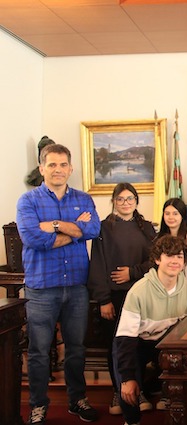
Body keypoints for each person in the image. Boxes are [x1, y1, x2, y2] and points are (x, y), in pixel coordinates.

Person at [16, 143, 101, 424]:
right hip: (41, 288)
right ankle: (38, 406)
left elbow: (93, 229)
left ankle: (77, 400)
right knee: (39, 352)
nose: (58, 170)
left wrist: (52, 225)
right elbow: (32, 238)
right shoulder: (28, 201)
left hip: (76, 286)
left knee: (76, 348)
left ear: (71, 168)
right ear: (42, 168)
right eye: (52, 164)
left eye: (63, 164)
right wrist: (73, 229)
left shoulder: (83, 199)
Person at [113, 235, 187, 425]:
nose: (175, 261)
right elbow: (125, 339)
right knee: (127, 388)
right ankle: (132, 421)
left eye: (179, 256)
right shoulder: (138, 291)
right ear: (157, 259)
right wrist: (127, 378)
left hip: (168, 343)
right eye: (169, 256)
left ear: (184, 262)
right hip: (136, 343)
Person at [87, 183, 156, 415]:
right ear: (114, 202)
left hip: (142, 294)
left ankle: (139, 389)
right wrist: (103, 299)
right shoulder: (103, 228)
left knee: (138, 344)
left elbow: (155, 261)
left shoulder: (147, 228)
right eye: (120, 199)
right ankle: (119, 390)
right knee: (116, 345)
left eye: (130, 199)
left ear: (136, 201)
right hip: (114, 297)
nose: (125, 203)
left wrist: (133, 272)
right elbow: (97, 264)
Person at [157, 198, 187, 284]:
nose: (171, 217)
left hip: (184, 286)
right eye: (167, 214)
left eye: (175, 214)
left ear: (182, 216)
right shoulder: (159, 238)